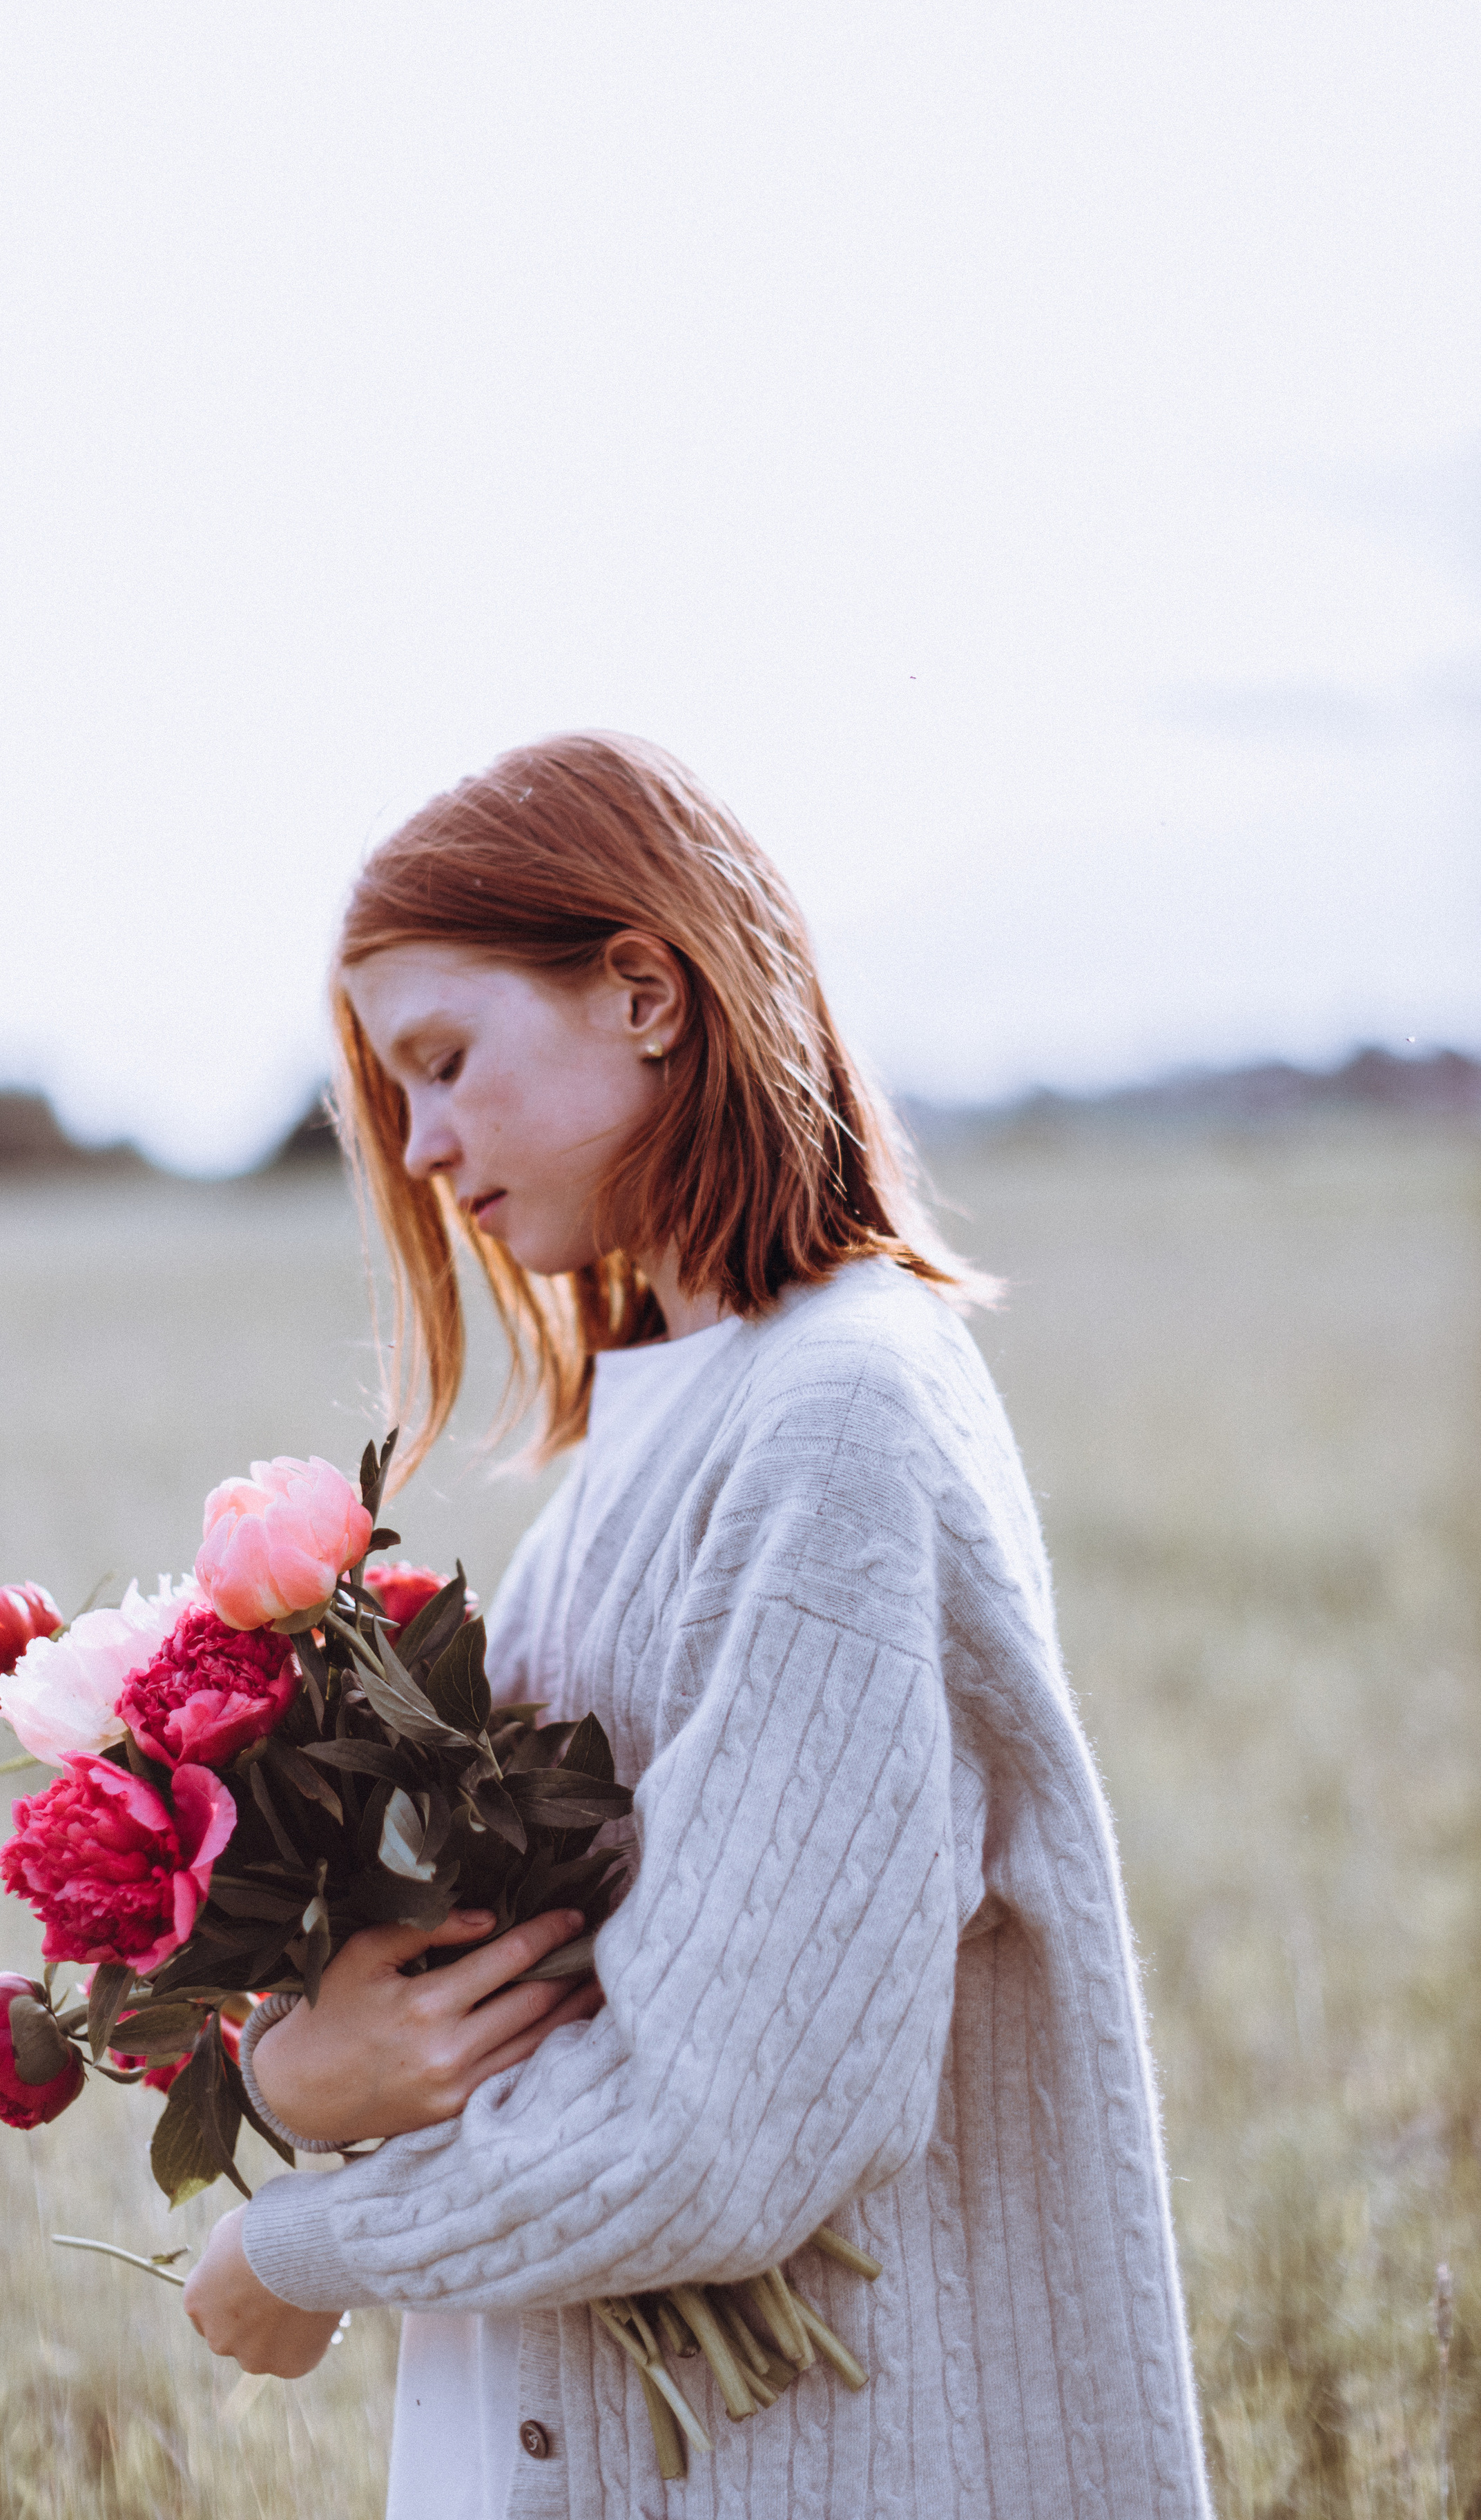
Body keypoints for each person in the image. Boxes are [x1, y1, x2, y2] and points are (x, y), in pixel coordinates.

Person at [184, 732, 1213, 2520]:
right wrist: (294, 2068)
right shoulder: (666, 1423)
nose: (421, 1149)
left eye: (442, 1063)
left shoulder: (838, 1420)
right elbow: (570, 1991)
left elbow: (730, 2125)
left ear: (646, 992)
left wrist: (302, 2247)